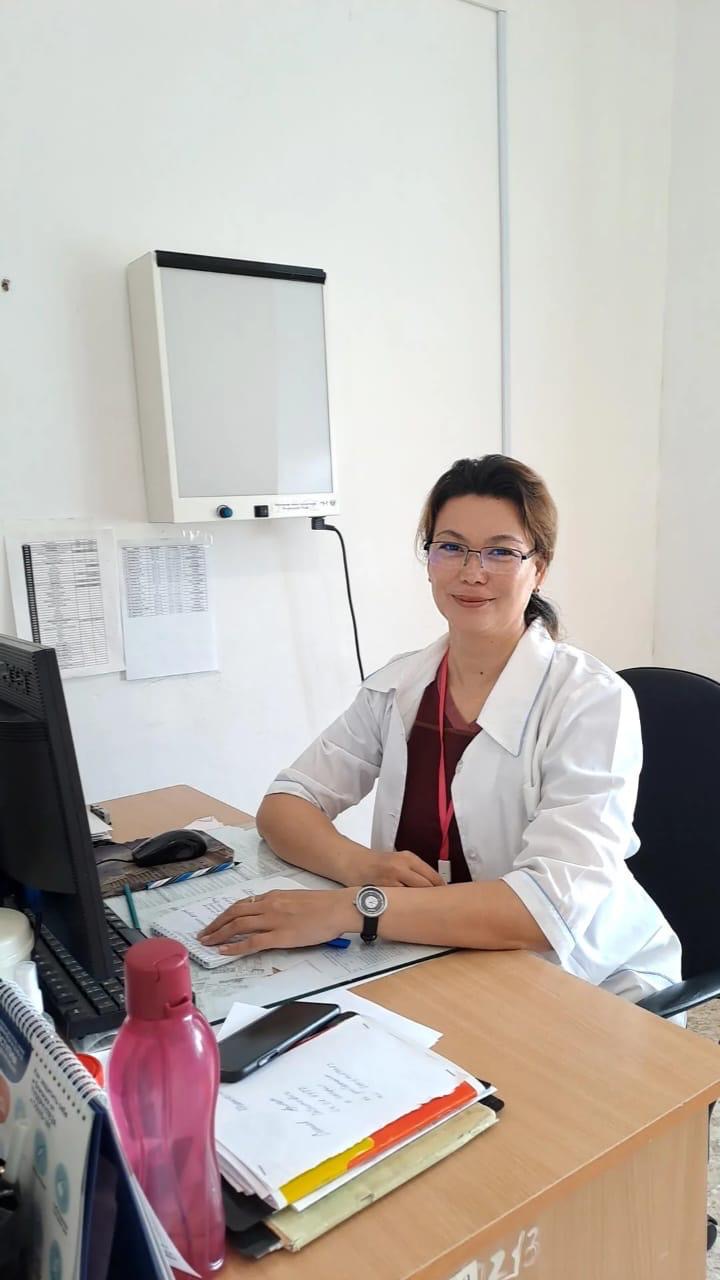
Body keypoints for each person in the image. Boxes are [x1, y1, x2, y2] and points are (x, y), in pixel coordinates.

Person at [199, 455, 681, 1004]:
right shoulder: (400, 686)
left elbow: (545, 910)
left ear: (539, 568)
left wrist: (355, 907)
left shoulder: (590, 702)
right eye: (451, 547)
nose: (472, 572)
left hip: (588, 981)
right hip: (436, 957)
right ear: (428, 560)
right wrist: (359, 866)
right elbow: (287, 803)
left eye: (501, 551)